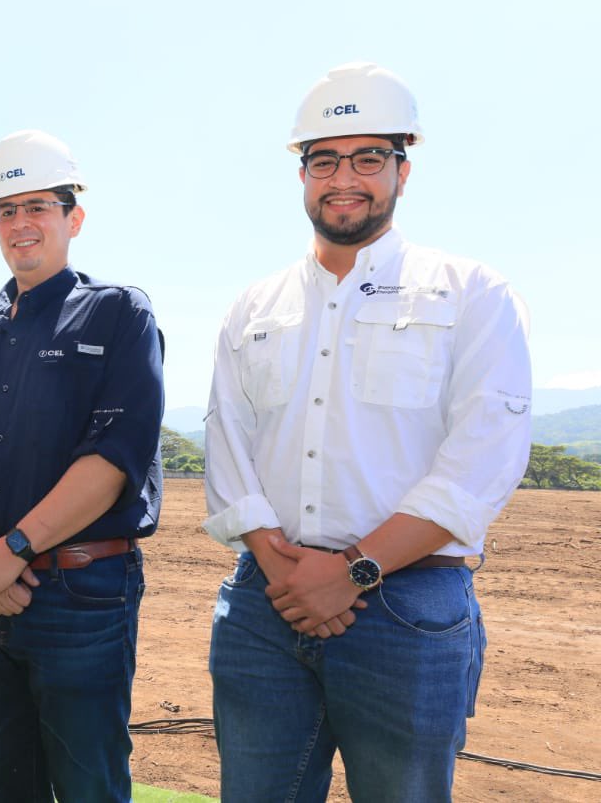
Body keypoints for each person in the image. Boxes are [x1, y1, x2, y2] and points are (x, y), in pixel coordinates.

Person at [203, 62, 533, 802]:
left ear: (402, 170)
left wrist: (352, 569)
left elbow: (480, 462)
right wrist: (282, 567)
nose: (344, 177)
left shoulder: (471, 293)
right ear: (302, 174)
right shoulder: (253, 305)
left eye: (368, 158)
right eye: (324, 160)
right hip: (266, 602)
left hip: (406, 609)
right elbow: (228, 445)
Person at [0, 129, 165, 802]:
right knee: (2, 784)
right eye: (5, 210)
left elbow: (116, 457)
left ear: (73, 217)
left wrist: (16, 548)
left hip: (82, 596)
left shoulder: (119, 312)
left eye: (37, 206)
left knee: (89, 783)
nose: (19, 224)